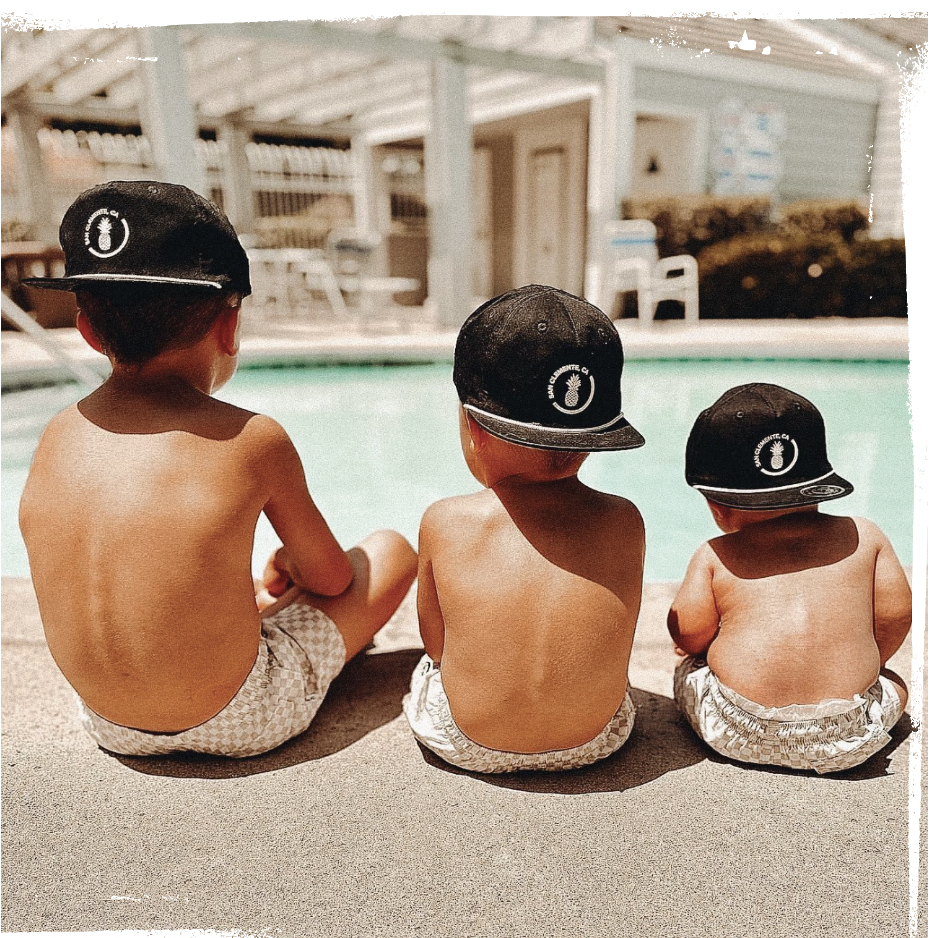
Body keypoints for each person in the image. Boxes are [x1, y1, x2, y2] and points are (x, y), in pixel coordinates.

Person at [19, 180, 416, 759]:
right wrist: (293, 563)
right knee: (390, 550)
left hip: (107, 721)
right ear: (228, 329)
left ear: (86, 329)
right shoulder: (251, 438)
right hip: (239, 717)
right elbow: (333, 581)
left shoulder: (56, 433)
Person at [403, 284, 646, 773]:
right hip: (595, 741)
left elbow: (437, 646)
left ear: (472, 426)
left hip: (472, 744)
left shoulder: (446, 521)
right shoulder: (626, 519)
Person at [669, 382, 912, 774]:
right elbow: (896, 616)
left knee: (689, 669)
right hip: (847, 733)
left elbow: (689, 634)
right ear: (821, 484)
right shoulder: (865, 536)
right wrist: (864, 664)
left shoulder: (715, 554)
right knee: (896, 683)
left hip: (739, 731)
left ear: (716, 503)